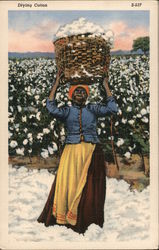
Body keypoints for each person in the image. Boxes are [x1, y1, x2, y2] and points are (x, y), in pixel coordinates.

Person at [37, 70, 118, 234]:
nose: (80, 94)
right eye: (77, 92)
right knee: (69, 183)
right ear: (71, 95)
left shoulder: (93, 109)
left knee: (87, 185)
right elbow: (51, 108)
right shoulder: (67, 111)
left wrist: (105, 85)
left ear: (87, 95)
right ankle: (66, 217)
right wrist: (55, 85)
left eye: (83, 92)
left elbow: (112, 108)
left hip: (90, 151)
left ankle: (85, 218)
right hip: (72, 152)